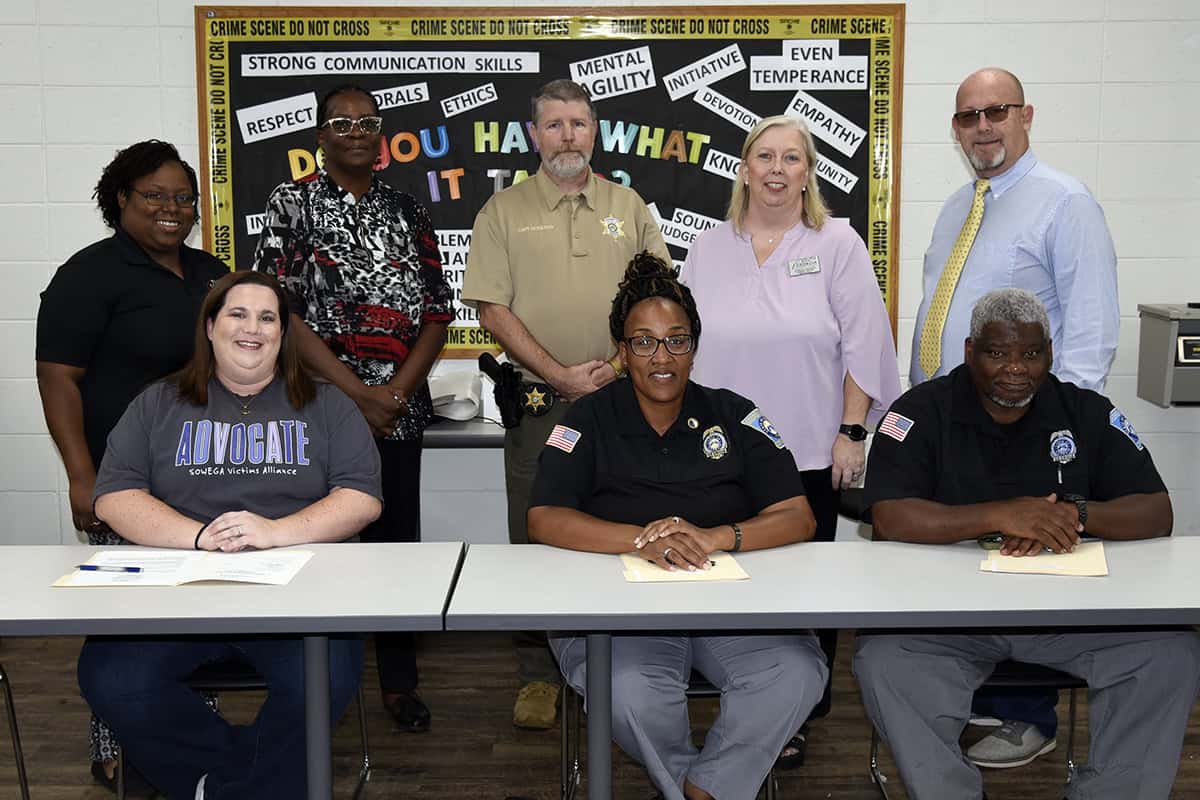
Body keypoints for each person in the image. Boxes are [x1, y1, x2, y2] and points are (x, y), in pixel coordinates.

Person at [854, 288, 1200, 800]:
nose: (1015, 368)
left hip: (1069, 616)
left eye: (1031, 353)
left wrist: (1073, 514)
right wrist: (1000, 513)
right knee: (883, 661)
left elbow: (1157, 511)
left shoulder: (1085, 412)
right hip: (948, 618)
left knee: (1169, 654)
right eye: (997, 353)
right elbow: (889, 516)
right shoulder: (921, 412)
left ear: (1050, 354)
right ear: (970, 352)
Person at [529, 253, 827, 800]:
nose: (661, 357)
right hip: (619, 610)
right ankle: (693, 781)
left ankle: (704, 789)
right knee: (626, 692)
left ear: (694, 346)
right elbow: (545, 516)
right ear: (622, 351)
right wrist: (643, 542)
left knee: (798, 673)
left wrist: (715, 537)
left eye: (677, 340)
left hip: (729, 603)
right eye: (644, 342)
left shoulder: (735, 414)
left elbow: (798, 515)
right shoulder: (587, 419)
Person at [77, 271, 382, 799]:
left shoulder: (329, 406)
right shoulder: (157, 403)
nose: (253, 328)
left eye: (268, 318)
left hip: (299, 592)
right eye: (238, 314)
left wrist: (275, 533)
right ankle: (240, 785)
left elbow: (361, 497)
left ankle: (220, 791)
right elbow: (114, 496)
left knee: (323, 680)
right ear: (212, 326)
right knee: (110, 677)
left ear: (283, 334)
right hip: (178, 589)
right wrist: (198, 538)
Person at [911, 67, 1120, 768]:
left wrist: (1062, 429)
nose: (981, 128)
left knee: (1022, 560)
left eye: (995, 112)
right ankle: (973, 693)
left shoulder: (1063, 202)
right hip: (953, 427)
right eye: (967, 117)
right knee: (968, 568)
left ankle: (1027, 714)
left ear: (1026, 115)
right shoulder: (956, 206)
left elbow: (1089, 330)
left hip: (1026, 422)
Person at [680, 115, 900, 766]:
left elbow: (866, 346)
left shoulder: (837, 243)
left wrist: (852, 432)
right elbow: (681, 349)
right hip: (717, 456)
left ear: (809, 174)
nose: (777, 169)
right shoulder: (706, 247)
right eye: (765, 156)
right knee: (725, 576)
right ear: (743, 168)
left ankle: (798, 710)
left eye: (793, 158)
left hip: (808, 453)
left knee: (803, 591)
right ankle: (741, 696)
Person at [462, 78, 671, 729]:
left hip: (623, 401)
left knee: (625, 523)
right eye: (554, 125)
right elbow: (492, 307)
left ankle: (626, 659)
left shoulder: (627, 204)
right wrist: (559, 373)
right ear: (533, 135)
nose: (567, 137)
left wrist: (611, 368)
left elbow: (657, 296)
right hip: (538, 404)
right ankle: (538, 675)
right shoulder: (503, 210)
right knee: (534, 534)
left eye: (578, 123)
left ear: (595, 129)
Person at [253, 84, 452, 733]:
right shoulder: (292, 202)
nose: (357, 132)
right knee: (319, 544)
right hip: (318, 409)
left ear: (381, 133)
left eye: (368, 122)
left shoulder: (408, 208)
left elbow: (436, 312)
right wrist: (357, 394)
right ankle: (316, 682)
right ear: (321, 134)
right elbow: (278, 309)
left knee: (396, 548)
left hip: (401, 412)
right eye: (343, 123)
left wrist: (393, 395)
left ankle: (400, 684)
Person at [35, 139, 228, 794]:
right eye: (154, 195)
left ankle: (187, 740)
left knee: (194, 615)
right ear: (121, 199)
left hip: (205, 481)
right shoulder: (89, 274)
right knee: (126, 617)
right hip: (123, 483)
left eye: (183, 197)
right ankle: (115, 748)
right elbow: (58, 377)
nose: (172, 209)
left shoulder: (209, 272)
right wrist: (80, 475)